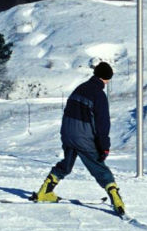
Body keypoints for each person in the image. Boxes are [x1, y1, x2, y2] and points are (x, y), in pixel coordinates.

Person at [31, 62, 125, 216]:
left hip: (68, 134)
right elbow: (102, 123)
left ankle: (44, 192)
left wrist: (67, 134)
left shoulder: (80, 88)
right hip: (84, 138)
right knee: (99, 167)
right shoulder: (99, 94)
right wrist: (104, 146)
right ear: (106, 78)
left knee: (66, 165)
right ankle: (116, 198)